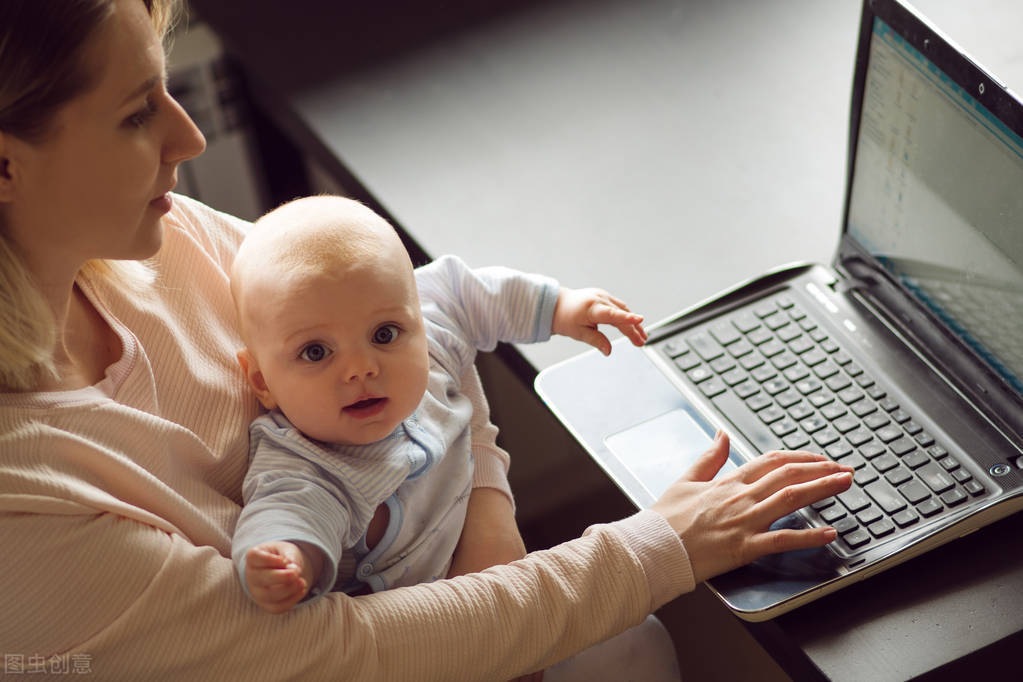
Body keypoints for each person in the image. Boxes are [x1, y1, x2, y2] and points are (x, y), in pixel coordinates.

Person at [0, 0, 854, 679]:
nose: (188, 139)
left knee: (633, 646)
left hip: (415, 596)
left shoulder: (156, 237)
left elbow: (408, 330)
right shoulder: (20, 515)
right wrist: (655, 550)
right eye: (135, 114)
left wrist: (484, 507)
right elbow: (336, 655)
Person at [229, 194, 649, 614]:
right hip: (427, 635)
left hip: (491, 571)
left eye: (384, 334)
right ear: (263, 382)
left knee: (646, 637)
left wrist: (562, 306)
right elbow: (287, 510)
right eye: (316, 352)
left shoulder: (430, 334)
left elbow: (463, 292)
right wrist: (286, 557)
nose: (360, 369)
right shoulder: (306, 464)